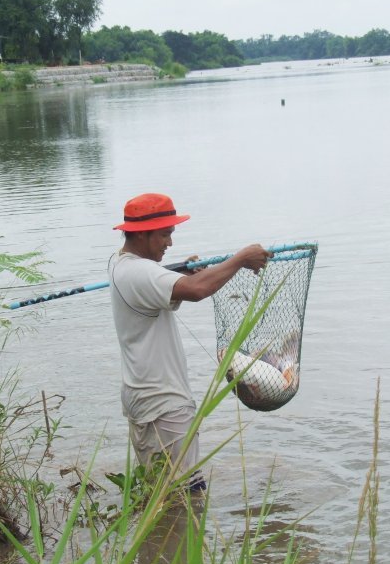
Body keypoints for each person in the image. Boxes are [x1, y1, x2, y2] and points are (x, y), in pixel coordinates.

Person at [109, 192, 271, 490]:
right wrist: (241, 259)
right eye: (165, 234)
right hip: (163, 405)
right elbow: (196, 290)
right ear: (142, 234)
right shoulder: (140, 272)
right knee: (185, 497)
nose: (169, 242)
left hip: (143, 397)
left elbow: (164, 281)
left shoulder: (120, 264)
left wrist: (182, 270)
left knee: (162, 493)